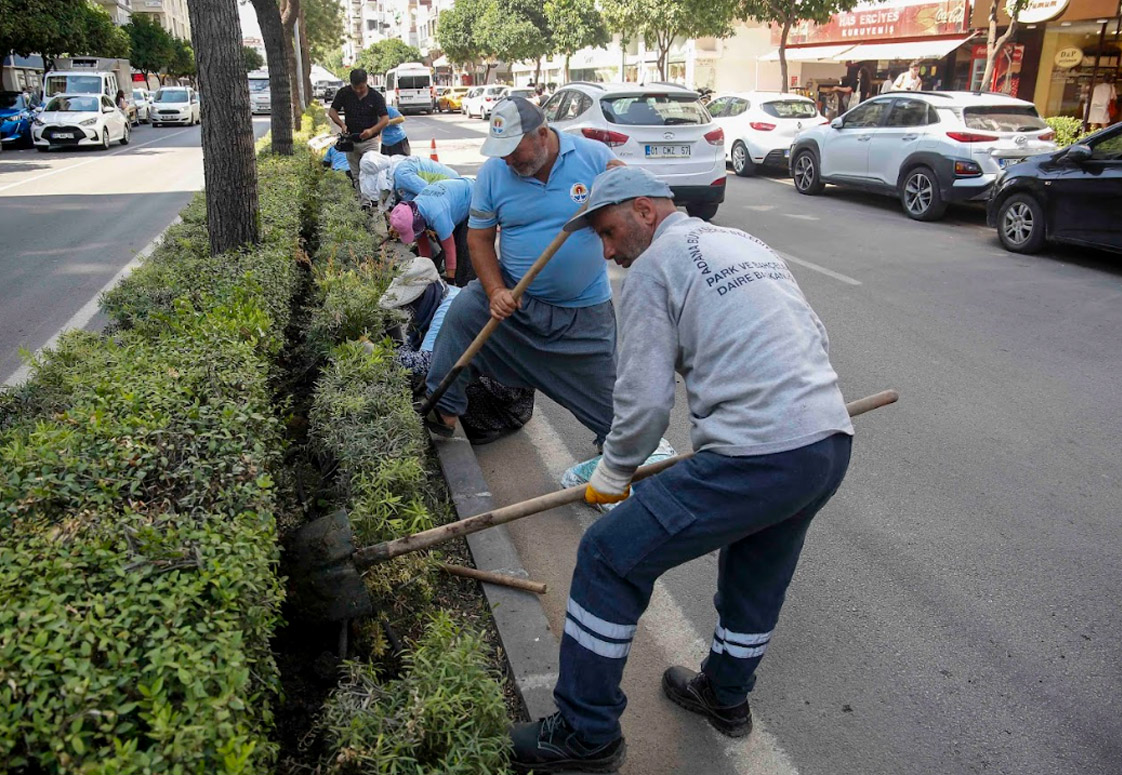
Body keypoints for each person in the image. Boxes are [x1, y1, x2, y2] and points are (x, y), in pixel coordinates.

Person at [507, 167, 855, 773]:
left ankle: (586, 735)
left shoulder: (654, 270)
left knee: (608, 559)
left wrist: (613, 473)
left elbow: (642, 403)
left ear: (644, 210)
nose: (608, 251)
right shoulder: (745, 244)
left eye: (609, 232)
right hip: (824, 443)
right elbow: (813, 334)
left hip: (755, 457)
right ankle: (723, 696)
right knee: (758, 568)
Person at [422, 96, 622, 446]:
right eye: (501, 151)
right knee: (464, 312)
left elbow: (632, 213)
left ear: (542, 134)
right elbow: (479, 240)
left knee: (615, 413)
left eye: (514, 149)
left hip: (583, 314)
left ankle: (621, 458)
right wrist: (497, 291)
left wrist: (624, 190)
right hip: (517, 301)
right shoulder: (493, 174)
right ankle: (444, 413)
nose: (508, 160)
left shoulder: (594, 159)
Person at [379, 257, 534, 444]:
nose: (408, 309)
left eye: (411, 302)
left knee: (441, 387)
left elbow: (425, 363)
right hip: (496, 376)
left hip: (507, 393)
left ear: (427, 292)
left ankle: (488, 424)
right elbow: (414, 344)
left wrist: (381, 355)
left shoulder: (449, 308)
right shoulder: (439, 298)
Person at [389, 177, 474, 285]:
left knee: (464, 247)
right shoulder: (414, 213)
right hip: (450, 200)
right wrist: (426, 273)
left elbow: (450, 249)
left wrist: (450, 281)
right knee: (445, 241)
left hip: (471, 196)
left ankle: (466, 284)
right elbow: (423, 246)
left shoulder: (437, 215)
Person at [328, 69, 390, 177]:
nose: (357, 90)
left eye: (361, 87)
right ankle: (360, 194)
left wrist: (371, 131)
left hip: (370, 141)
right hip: (351, 141)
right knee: (356, 174)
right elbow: (332, 111)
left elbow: (385, 119)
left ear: (366, 82)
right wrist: (342, 125)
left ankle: (370, 194)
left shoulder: (376, 97)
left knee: (371, 173)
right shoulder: (344, 93)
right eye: (354, 87)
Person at [393, 155, 461, 202]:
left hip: (451, 186)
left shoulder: (403, 174)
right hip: (450, 184)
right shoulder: (399, 170)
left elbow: (428, 194)